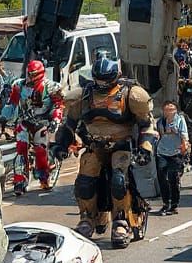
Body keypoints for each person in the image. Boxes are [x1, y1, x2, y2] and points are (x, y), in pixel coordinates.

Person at [59, 55, 156, 245]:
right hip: (94, 146)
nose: (102, 85)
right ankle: (87, 217)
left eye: (106, 81)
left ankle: (121, 221)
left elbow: (146, 124)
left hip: (121, 146)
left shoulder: (132, 94)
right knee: (84, 182)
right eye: (99, 81)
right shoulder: (84, 95)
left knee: (119, 181)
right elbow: (69, 125)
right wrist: (60, 145)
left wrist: (145, 147)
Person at [7, 60, 64, 190]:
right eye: (29, 74)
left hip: (42, 122)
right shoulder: (19, 85)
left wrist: (56, 119)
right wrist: (4, 118)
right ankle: (20, 179)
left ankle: (44, 177)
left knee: (40, 151)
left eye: (33, 74)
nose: (31, 77)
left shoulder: (51, 87)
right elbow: (12, 103)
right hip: (24, 121)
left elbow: (58, 105)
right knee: (21, 149)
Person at [155, 101, 188, 217]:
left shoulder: (180, 120)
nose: (169, 112)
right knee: (163, 179)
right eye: (167, 110)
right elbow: (157, 134)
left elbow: (184, 135)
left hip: (175, 152)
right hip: (162, 152)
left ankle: (174, 205)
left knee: (173, 178)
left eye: (172, 110)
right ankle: (165, 203)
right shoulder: (160, 122)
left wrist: (184, 146)